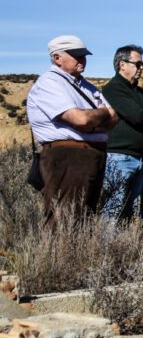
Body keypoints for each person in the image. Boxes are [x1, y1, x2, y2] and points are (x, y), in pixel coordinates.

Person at [26, 35, 118, 228]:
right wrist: (101, 113)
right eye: (76, 56)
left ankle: (77, 257)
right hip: (67, 155)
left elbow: (114, 119)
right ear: (57, 58)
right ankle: (57, 258)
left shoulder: (86, 85)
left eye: (83, 55)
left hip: (93, 154)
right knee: (64, 218)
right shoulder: (50, 83)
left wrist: (93, 120)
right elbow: (80, 119)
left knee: (86, 218)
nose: (82, 60)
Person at [100, 44, 143, 224]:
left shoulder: (140, 92)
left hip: (139, 158)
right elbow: (137, 116)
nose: (141, 69)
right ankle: (106, 250)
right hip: (120, 157)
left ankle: (122, 249)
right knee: (114, 208)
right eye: (138, 64)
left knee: (129, 211)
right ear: (122, 65)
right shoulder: (113, 89)